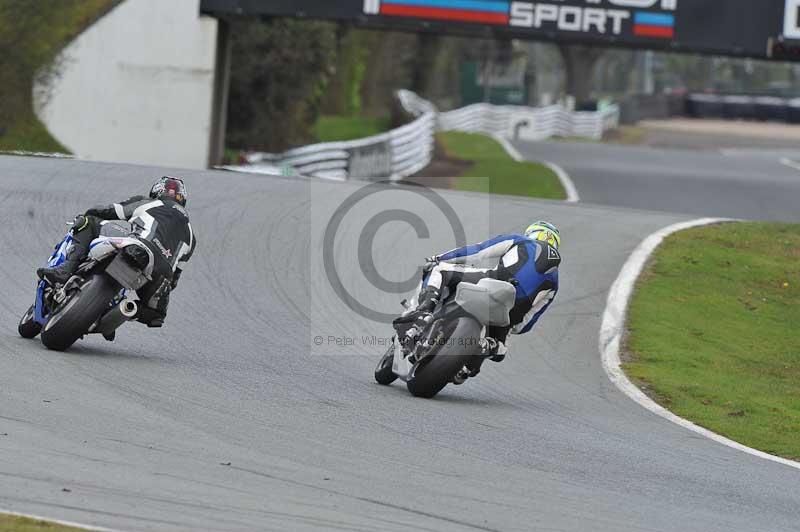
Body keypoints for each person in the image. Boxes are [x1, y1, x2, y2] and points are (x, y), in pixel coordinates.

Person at [396, 221, 560, 384]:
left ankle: (425, 310)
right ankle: (480, 355)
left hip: (493, 282)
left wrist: (438, 258)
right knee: (499, 345)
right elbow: (527, 323)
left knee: (440, 269)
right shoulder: (555, 281)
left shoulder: (521, 240)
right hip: (510, 313)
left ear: (532, 233)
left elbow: (478, 251)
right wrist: (510, 327)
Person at [37, 176, 197, 329]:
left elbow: (110, 211)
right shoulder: (191, 237)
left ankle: (65, 271)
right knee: (154, 314)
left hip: (138, 246)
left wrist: (89, 212)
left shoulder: (150, 203)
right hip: (160, 275)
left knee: (89, 222)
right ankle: (112, 314)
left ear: (157, 191)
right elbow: (174, 280)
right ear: (183, 198)